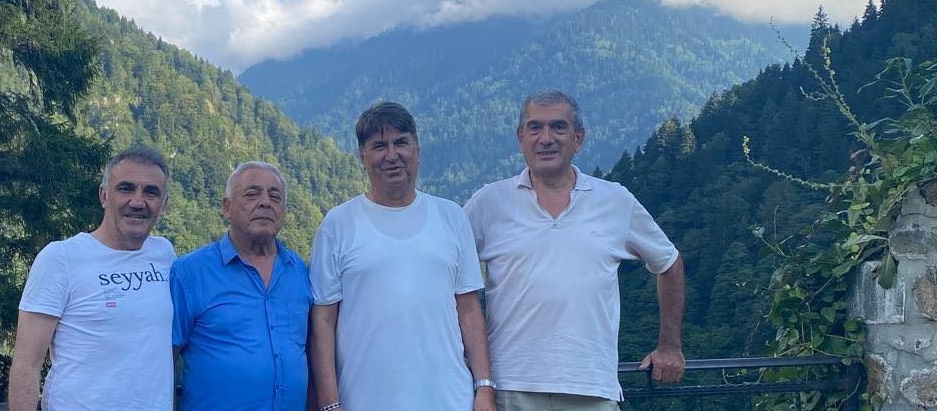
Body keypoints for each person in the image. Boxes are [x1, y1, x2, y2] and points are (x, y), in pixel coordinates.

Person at [463, 91, 686, 411]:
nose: (546, 138)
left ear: (578, 138)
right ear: (520, 137)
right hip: (510, 387)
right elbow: (448, 273)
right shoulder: (488, 203)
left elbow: (669, 263)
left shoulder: (615, 201)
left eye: (558, 127)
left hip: (591, 388)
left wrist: (670, 347)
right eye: (535, 127)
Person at [310, 102, 495, 411]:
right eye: (379, 146)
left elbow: (469, 309)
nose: (392, 155)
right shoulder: (337, 224)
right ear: (362, 157)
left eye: (401, 143)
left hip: (449, 398)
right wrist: (330, 403)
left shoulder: (451, 217)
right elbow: (323, 320)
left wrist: (484, 387)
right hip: (364, 400)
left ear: (417, 150)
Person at [7, 147, 176, 411]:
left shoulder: (165, 254)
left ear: (163, 204)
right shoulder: (61, 258)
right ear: (104, 195)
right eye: (126, 188)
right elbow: (26, 364)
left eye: (151, 192)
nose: (137, 201)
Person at [171, 161, 312, 411]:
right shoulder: (190, 273)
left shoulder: (298, 271)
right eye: (252, 194)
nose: (265, 202)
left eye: (275, 196)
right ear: (227, 207)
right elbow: (164, 363)